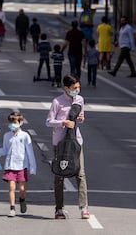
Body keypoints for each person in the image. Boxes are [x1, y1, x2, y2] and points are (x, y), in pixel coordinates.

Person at [46, 74, 90, 220]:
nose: (77, 90)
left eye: (78, 87)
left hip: (76, 142)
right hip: (60, 143)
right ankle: (59, 208)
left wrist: (80, 119)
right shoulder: (57, 102)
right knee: (59, 176)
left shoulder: (80, 100)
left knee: (80, 174)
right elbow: (48, 122)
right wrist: (63, 123)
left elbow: (81, 118)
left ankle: (84, 207)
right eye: (74, 88)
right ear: (66, 88)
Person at [0, 112, 36, 217]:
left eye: (14, 122)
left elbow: (30, 152)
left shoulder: (25, 136)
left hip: (22, 166)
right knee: (11, 187)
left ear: (20, 123)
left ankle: (22, 199)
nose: (12, 125)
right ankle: (12, 208)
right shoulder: (7, 136)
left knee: (22, 189)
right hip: (10, 165)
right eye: (10, 123)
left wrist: (33, 167)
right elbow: (4, 150)